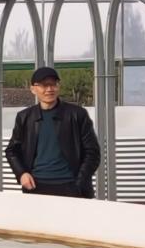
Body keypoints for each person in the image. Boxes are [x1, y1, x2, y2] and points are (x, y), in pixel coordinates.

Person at [5, 66, 99, 198]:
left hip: (70, 186)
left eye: (53, 84)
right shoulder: (25, 117)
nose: (49, 89)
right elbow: (12, 150)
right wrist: (21, 174)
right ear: (33, 89)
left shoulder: (77, 114)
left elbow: (92, 152)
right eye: (44, 85)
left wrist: (79, 183)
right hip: (36, 186)